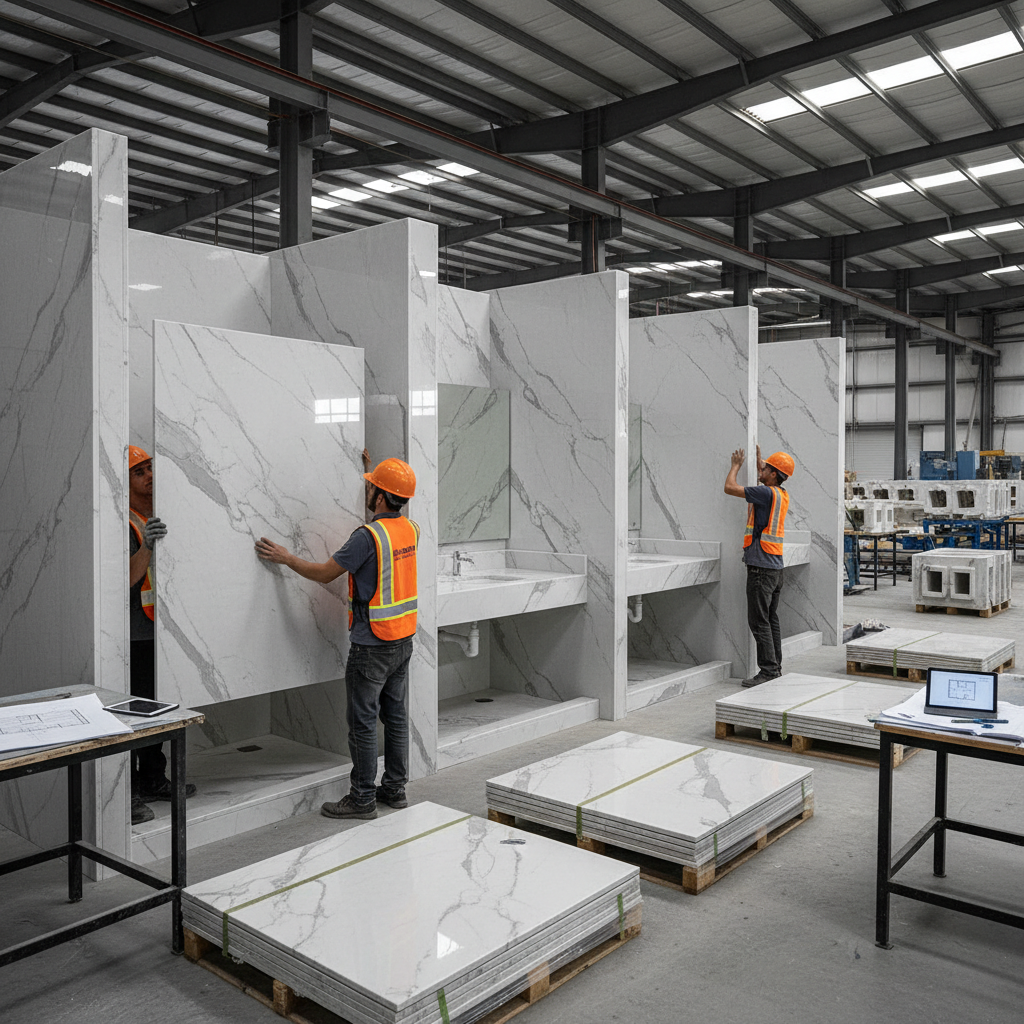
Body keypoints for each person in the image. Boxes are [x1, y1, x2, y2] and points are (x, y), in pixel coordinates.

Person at [255, 457, 418, 820]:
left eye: (371, 486)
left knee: (362, 723)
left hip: (371, 644)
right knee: (395, 717)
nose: (368, 491)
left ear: (379, 496)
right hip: (403, 641)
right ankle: (395, 788)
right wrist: (368, 466)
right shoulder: (410, 529)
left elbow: (326, 573)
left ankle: (362, 798)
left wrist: (286, 557)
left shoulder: (367, 537)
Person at [126, 445, 196, 824]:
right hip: (135, 634)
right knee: (134, 713)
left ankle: (153, 778)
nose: (149, 476)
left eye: (151, 467)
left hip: (160, 630)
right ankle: (128, 792)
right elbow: (129, 578)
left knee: (156, 710)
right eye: (140, 472)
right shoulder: (126, 520)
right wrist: (147, 547)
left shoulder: (161, 510)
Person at [724, 445, 795, 688]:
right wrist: (759, 462)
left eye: (764, 468)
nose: (760, 470)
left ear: (773, 474)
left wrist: (735, 466)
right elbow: (767, 479)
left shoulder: (765, 494)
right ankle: (775, 668)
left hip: (761, 569)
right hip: (775, 568)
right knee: (770, 619)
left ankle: (767, 671)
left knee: (759, 621)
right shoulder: (780, 494)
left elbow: (730, 488)